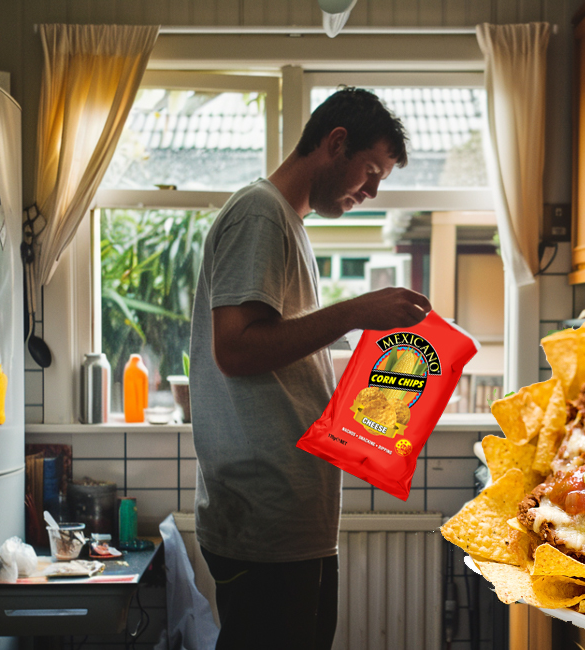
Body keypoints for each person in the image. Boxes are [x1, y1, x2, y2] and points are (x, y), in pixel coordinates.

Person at [188, 87, 432, 650]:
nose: (370, 192)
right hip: (263, 517)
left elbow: (278, 352)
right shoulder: (259, 213)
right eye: (370, 172)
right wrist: (356, 312)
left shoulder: (287, 223)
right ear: (335, 143)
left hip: (291, 517)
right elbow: (238, 349)